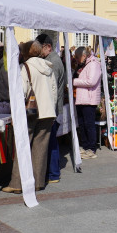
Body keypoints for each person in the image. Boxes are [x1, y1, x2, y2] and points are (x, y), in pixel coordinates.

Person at [3, 40, 57, 194]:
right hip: (47, 112)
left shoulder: (25, 67)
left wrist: (15, 113)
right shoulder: (48, 67)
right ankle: (38, 182)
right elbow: (54, 92)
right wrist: (52, 111)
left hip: (30, 112)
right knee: (40, 147)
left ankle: (17, 183)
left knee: (23, 146)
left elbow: (21, 92)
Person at [36, 34, 67, 184]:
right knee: (51, 141)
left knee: (51, 142)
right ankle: (52, 172)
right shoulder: (53, 60)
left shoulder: (53, 63)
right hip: (53, 109)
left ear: (47, 46)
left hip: (52, 109)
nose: (38, 51)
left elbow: (51, 90)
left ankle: (53, 174)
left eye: (39, 47)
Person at [72, 46, 102, 159]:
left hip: (89, 99)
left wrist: (74, 81)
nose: (76, 59)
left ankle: (91, 148)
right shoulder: (84, 65)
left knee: (89, 124)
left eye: (77, 57)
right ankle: (84, 146)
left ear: (83, 56)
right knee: (82, 123)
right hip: (81, 98)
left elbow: (91, 81)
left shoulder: (94, 64)